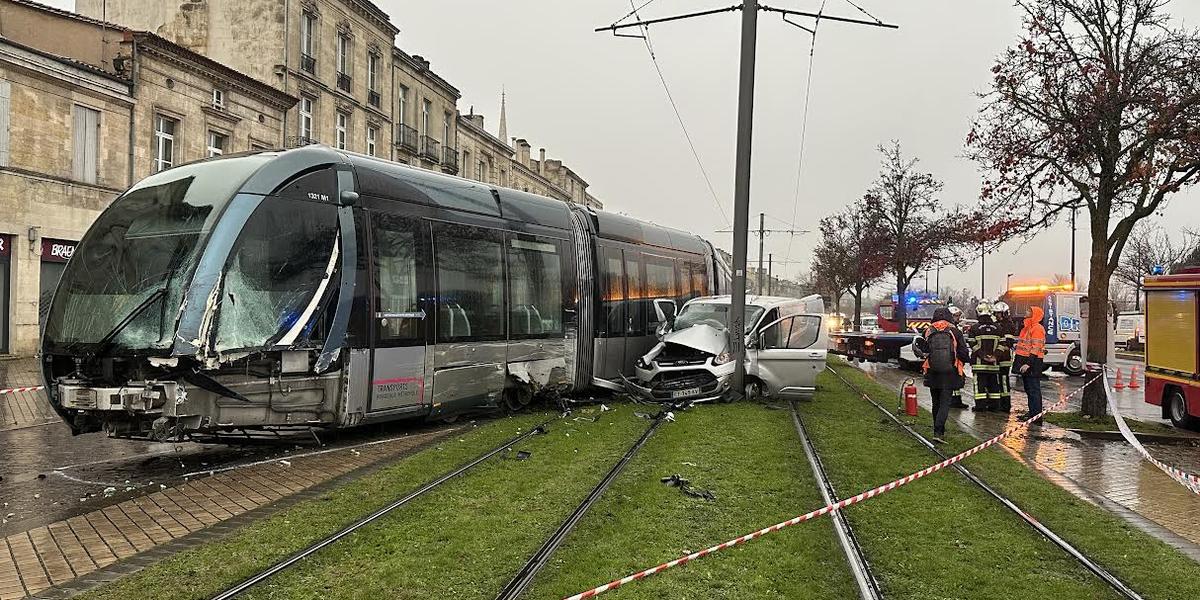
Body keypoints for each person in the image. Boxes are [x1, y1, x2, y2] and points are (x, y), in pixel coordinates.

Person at [913, 307, 971, 443]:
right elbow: (963, 352)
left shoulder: (928, 330)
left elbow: (923, 350)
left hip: (933, 372)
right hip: (950, 372)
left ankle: (937, 429)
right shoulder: (955, 331)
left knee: (936, 402)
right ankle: (939, 432)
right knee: (945, 403)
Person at [1014, 305, 1047, 422]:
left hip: (1033, 362)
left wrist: (1028, 364)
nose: (1026, 312)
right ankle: (1033, 413)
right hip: (1026, 361)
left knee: (1033, 389)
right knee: (1029, 389)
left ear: (1035, 314)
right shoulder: (1027, 327)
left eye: (1029, 311)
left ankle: (1036, 416)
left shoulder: (1037, 328)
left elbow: (1035, 347)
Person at [969, 303, 1004, 412]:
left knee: (979, 385)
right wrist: (994, 356)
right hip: (993, 364)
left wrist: (983, 356)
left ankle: (980, 406)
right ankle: (995, 406)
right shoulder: (998, 328)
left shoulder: (974, 328)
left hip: (979, 364)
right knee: (994, 385)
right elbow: (1002, 344)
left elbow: (972, 344)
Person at [993, 301, 1016, 413]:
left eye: (998, 313)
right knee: (998, 380)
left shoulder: (1008, 325)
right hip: (997, 357)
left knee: (1003, 380)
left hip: (1005, 358)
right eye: (996, 313)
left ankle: (1005, 404)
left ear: (1004, 313)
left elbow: (1008, 343)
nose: (996, 316)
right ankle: (999, 402)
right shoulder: (997, 324)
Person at [946, 305, 970, 409]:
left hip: (947, 360)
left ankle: (955, 400)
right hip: (954, 360)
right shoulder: (955, 330)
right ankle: (953, 401)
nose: (958, 318)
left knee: (953, 381)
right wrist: (966, 358)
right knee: (955, 380)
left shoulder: (944, 328)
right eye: (955, 316)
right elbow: (961, 347)